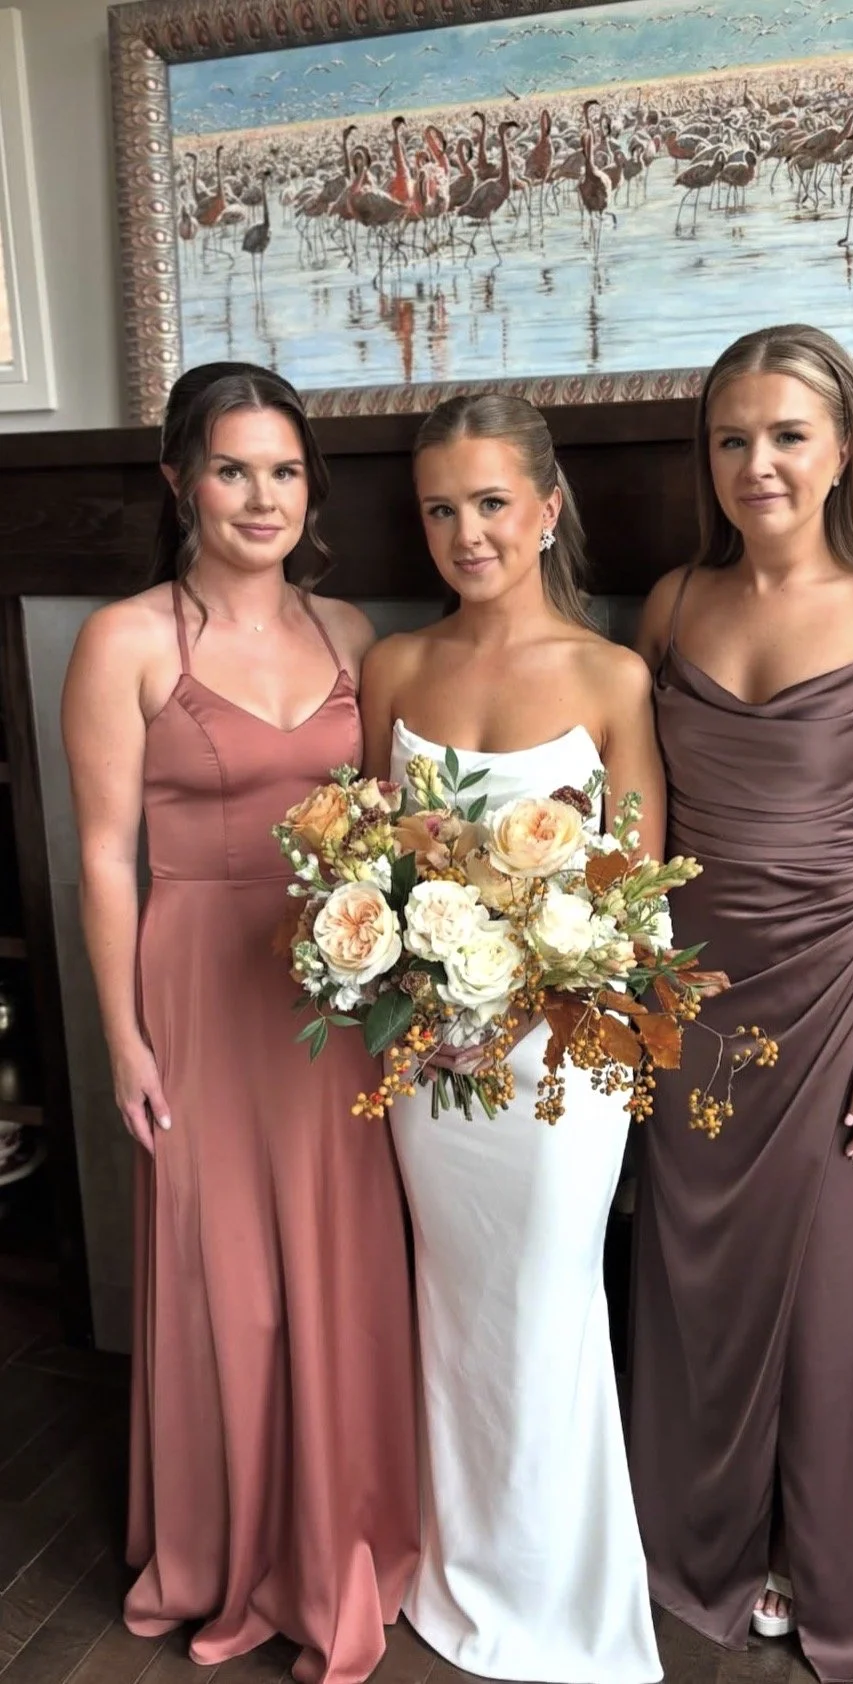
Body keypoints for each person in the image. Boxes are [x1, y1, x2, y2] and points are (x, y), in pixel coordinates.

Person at [62, 364, 418, 1684]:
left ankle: (347, 1541)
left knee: (339, 1267)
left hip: (334, 988)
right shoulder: (127, 641)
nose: (260, 496)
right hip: (198, 981)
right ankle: (223, 1552)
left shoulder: (353, 632)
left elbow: (390, 834)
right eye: (231, 469)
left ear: (309, 487)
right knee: (232, 1287)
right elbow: (104, 855)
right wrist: (124, 1040)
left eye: (283, 470)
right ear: (179, 481)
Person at [628, 323, 853, 1681]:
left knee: (823, 1295)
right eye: (731, 437)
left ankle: (817, 1563)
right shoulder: (665, 606)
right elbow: (634, 825)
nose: (756, 463)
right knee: (690, 1277)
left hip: (831, 996)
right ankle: (686, 1546)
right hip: (688, 995)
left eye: (785, 435)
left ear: (839, 454)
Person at [359, 393, 664, 1684]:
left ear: (546, 509)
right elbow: (370, 872)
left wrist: (541, 986)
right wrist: (405, 985)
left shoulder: (613, 675)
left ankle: (565, 1598)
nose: (466, 532)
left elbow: (640, 887)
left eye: (491, 503)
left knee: (546, 1300)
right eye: (440, 508)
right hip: (431, 1063)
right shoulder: (394, 668)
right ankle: (463, 1570)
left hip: (557, 1061)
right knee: (456, 1304)